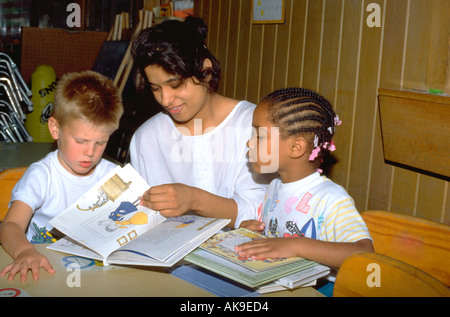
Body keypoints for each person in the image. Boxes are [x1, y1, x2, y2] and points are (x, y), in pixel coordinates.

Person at [129, 16, 269, 228]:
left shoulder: (255, 125)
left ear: (205, 71)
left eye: (175, 84)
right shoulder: (146, 137)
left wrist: (194, 199)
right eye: (155, 88)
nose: (165, 100)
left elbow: (263, 211)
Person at [0, 70, 124, 281]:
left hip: (92, 272)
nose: (90, 152)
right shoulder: (41, 176)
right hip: (41, 265)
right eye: (81, 141)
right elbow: (10, 225)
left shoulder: (112, 176)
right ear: (55, 129)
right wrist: (23, 251)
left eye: (100, 143)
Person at [235, 87, 373, 268]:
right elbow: (276, 239)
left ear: (295, 148)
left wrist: (297, 245)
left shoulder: (331, 199)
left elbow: (364, 253)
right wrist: (253, 234)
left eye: (259, 135)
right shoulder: (274, 187)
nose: (249, 143)